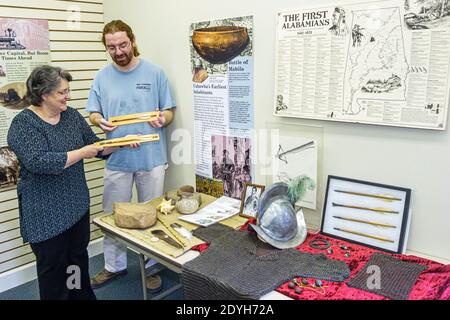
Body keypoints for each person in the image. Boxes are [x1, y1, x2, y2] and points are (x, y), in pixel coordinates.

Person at [7, 65, 117, 300]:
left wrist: (118, 143)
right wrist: (82, 152)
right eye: (62, 92)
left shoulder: (71, 116)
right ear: (44, 94)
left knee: (76, 261)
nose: (68, 96)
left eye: (68, 90)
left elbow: (95, 146)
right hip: (45, 214)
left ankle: (80, 297)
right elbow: (40, 162)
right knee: (54, 272)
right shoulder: (23, 124)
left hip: (76, 206)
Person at [87, 20, 176, 292]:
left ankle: (151, 267)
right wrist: (98, 121)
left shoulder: (155, 73)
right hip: (118, 159)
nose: (118, 51)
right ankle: (114, 265)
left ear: (133, 41)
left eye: (123, 44)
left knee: (151, 214)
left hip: (151, 157)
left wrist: (163, 119)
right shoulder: (102, 77)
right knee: (112, 214)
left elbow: (169, 111)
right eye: (111, 47)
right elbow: (94, 113)